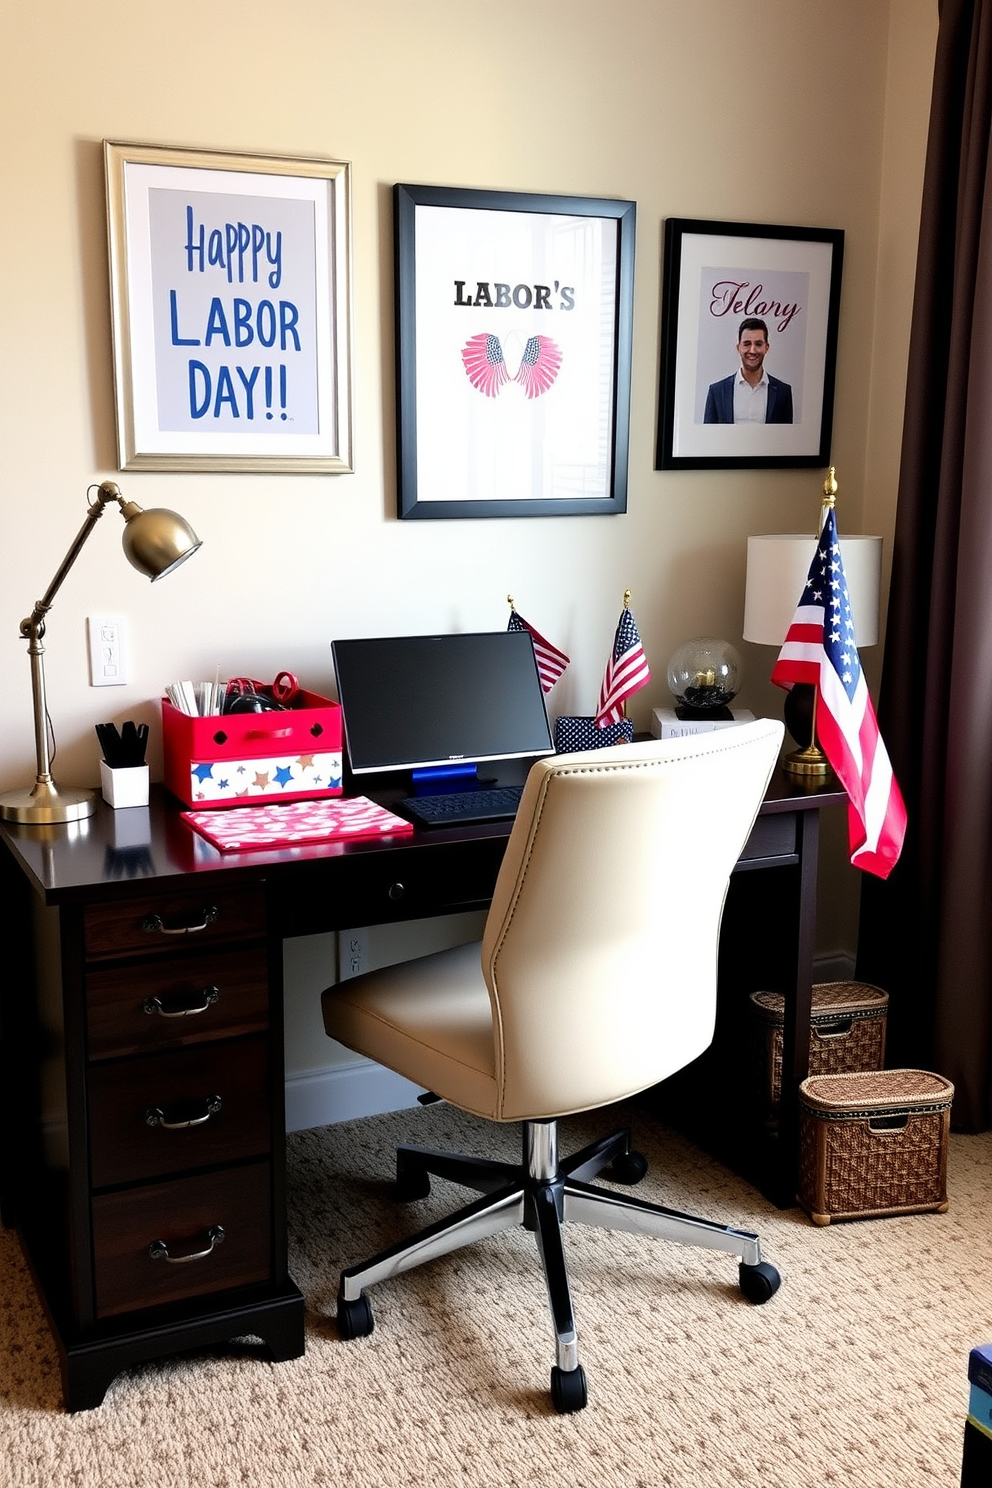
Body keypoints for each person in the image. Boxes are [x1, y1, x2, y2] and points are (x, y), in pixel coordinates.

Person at [703, 317, 793, 424]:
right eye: (747, 344)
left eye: (758, 344)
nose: (752, 350)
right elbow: (709, 437)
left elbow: (786, 438)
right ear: (739, 348)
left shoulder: (783, 393)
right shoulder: (717, 392)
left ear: (766, 348)